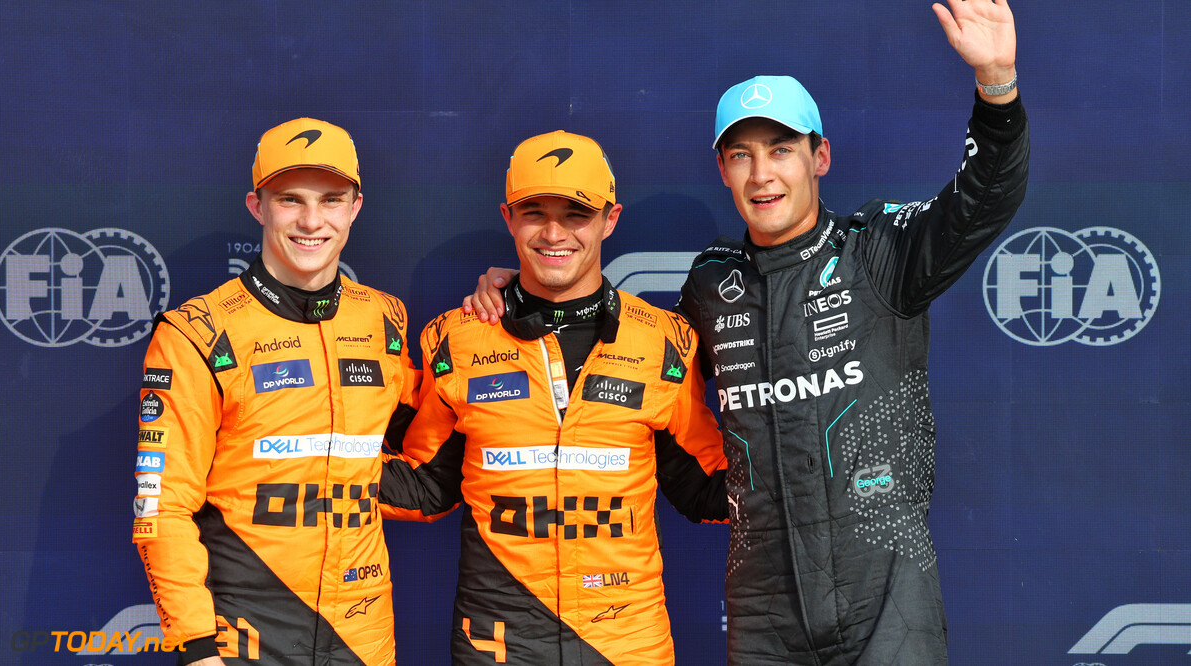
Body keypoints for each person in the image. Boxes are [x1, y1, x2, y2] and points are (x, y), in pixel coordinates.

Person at [464, 2, 1028, 663]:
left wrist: (997, 83)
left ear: (820, 157)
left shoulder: (879, 252)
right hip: (763, 609)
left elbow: (983, 198)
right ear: (722, 168)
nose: (763, 175)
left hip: (886, 599)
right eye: (742, 155)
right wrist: (527, 289)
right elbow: (637, 361)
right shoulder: (712, 282)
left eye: (783, 150)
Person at [381, 130, 728, 665]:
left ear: (610, 219)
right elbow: (426, 484)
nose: (552, 233)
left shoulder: (664, 341)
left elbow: (706, 488)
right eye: (533, 212)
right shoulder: (457, 338)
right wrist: (294, 458)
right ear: (507, 218)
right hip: (498, 646)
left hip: (627, 645)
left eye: (575, 213)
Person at [132, 118, 420, 665]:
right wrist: (194, 647)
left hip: (365, 636)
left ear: (355, 207)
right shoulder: (195, 332)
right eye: (290, 200)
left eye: (331, 200)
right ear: (256, 205)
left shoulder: (386, 320)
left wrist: (511, 304)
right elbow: (162, 506)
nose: (312, 221)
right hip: (243, 637)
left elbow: (426, 456)